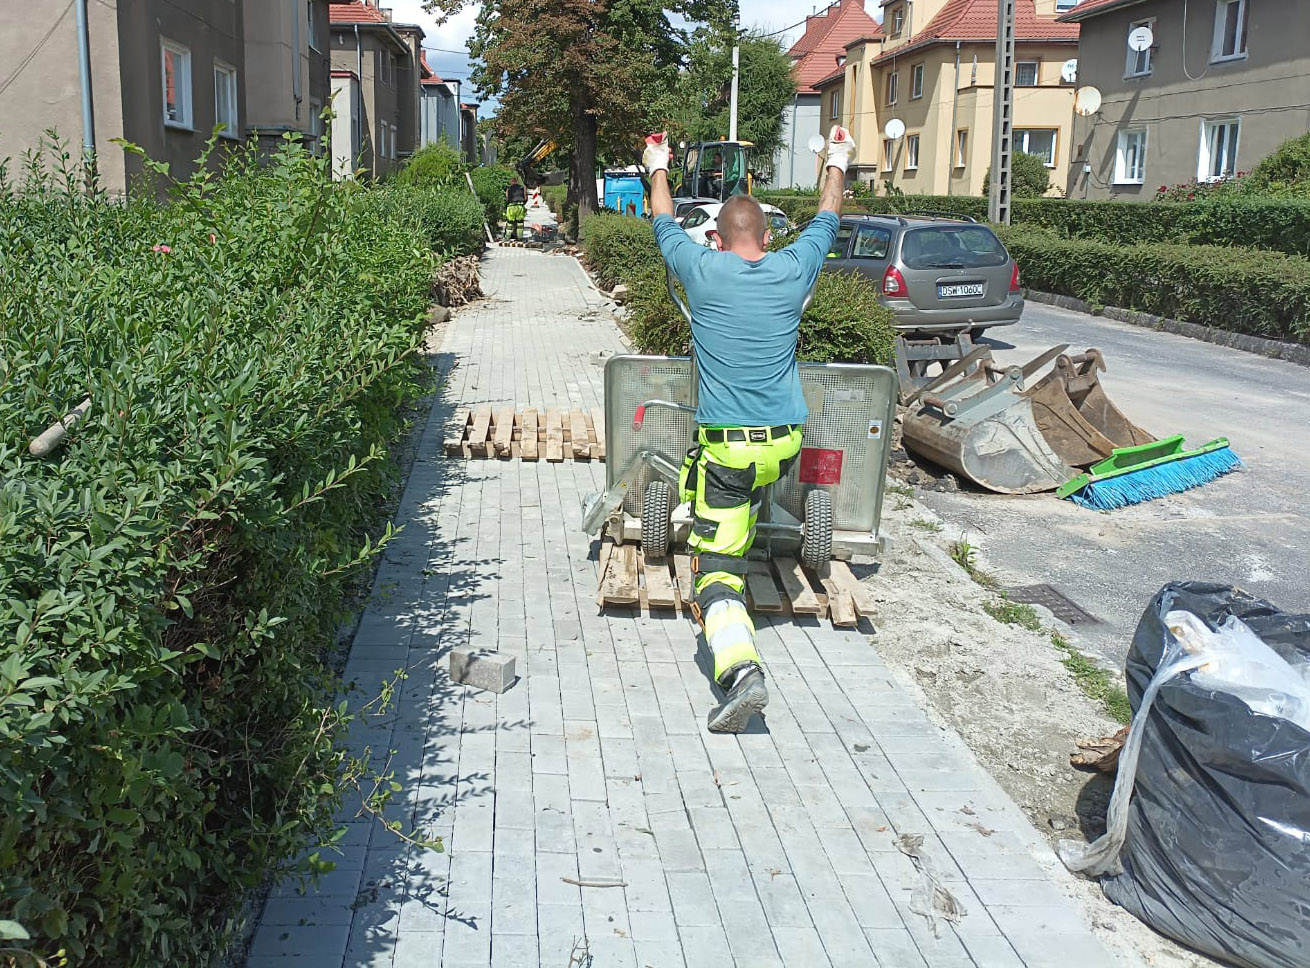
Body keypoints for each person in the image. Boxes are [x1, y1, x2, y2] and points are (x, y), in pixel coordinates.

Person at [642, 125, 855, 732]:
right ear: (765, 236)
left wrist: (658, 162)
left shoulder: (700, 270)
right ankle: (744, 528)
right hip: (784, 446)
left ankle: (741, 672)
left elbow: (661, 220)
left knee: (716, 570)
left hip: (730, 455)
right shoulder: (793, 269)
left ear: (716, 236)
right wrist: (835, 158)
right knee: (737, 485)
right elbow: (827, 218)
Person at [504, 176, 527, 240]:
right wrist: (522, 204)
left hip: (511, 207)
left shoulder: (508, 189)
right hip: (520, 207)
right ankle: (520, 238)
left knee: (510, 223)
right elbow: (525, 198)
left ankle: (507, 237)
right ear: (517, 181)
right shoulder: (522, 188)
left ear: (511, 182)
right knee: (520, 223)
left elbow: (507, 198)